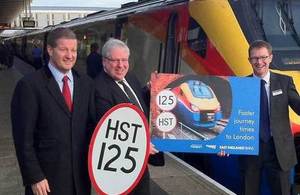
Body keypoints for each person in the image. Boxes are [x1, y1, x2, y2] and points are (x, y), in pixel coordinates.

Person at [11, 27, 96, 195]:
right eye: (63, 49)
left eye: (73, 50)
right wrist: (34, 176)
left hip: (80, 179)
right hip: (46, 181)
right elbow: (23, 138)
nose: (70, 55)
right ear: (50, 50)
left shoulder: (86, 83)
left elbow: (92, 125)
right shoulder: (29, 85)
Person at [94, 38, 163, 195]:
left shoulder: (130, 77)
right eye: (115, 60)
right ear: (104, 61)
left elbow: (135, 103)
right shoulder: (99, 89)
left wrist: (150, 91)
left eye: (124, 60)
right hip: (120, 168)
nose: (121, 65)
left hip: (138, 164)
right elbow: (109, 132)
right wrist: (142, 146)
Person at [239, 40, 300, 195]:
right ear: (249, 60)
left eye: (263, 57)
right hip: (251, 150)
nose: (259, 62)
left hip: (279, 150)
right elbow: (232, 116)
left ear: (271, 58)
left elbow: (298, 105)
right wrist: (224, 144)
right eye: (255, 58)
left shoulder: (285, 82)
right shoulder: (241, 85)